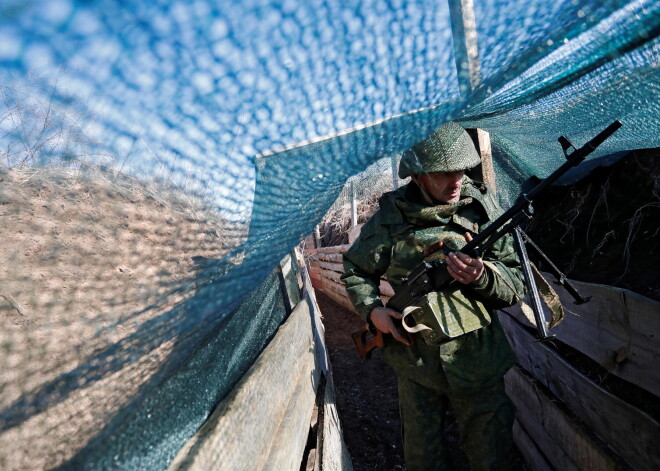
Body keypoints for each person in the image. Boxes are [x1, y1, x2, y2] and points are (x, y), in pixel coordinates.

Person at [341, 122, 525, 471]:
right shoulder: (390, 220)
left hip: (477, 360)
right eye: (443, 173)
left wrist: (482, 277)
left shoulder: (482, 212)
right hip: (416, 363)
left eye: (460, 170)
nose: (456, 181)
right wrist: (373, 312)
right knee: (424, 457)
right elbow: (356, 270)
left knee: (492, 455)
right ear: (419, 176)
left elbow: (515, 285)